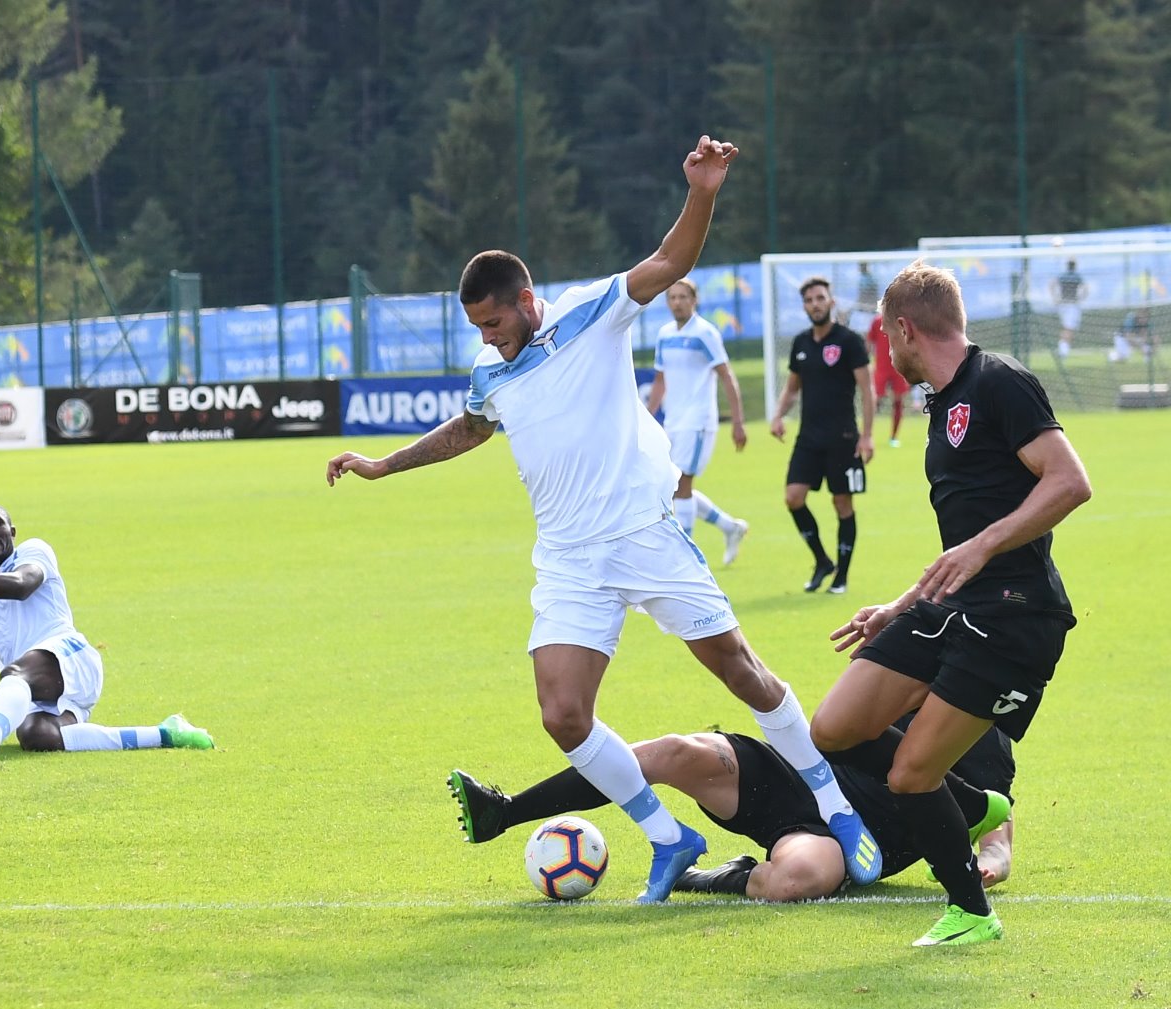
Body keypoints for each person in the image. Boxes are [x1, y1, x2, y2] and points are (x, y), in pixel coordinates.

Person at [325, 136, 881, 903]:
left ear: (525, 301)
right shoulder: (491, 368)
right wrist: (385, 465)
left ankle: (838, 807)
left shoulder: (594, 312)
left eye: (492, 322)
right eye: (477, 328)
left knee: (741, 671)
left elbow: (669, 260)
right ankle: (666, 835)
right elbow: (471, 427)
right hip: (567, 556)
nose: (485, 338)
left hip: (641, 533)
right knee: (563, 714)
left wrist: (703, 192)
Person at [808, 259, 1091, 947]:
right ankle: (975, 806)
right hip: (951, 604)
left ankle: (970, 910)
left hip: (1016, 615)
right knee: (833, 726)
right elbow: (958, 548)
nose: (886, 347)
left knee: (910, 773)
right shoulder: (941, 404)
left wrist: (984, 547)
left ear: (906, 328)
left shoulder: (1000, 382)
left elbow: (1070, 482)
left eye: (886, 333)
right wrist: (899, 604)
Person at [447, 707, 1015, 902]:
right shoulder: (899, 673)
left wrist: (994, 862)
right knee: (674, 752)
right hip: (799, 780)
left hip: (854, 842)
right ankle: (505, 810)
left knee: (795, 879)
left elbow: (997, 824)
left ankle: (714, 878)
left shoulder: (984, 735)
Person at [0, 502, 215, 760]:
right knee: (36, 735)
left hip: (71, 659)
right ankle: (166, 733)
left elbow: (21, 586)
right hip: (34, 687)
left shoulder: (33, 552)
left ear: (12, 531)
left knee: (16, 672)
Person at [769, 277, 875, 595]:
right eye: (809, 300)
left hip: (843, 437)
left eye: (820, 298)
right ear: (804, 306)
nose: (815, 304)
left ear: (831, 302)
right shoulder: (802, 343)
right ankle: (822, 561)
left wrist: (867, 436)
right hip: (809, 438)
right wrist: (777, 415)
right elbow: (791, 388)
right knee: (793, 498)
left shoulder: (849, 341)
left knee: (842, 502)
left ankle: (841, 576)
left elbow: (867, 391)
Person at [646, 278, 751, 565]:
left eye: (682, 296)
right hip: (674, 421)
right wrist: (648, 417)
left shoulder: (705, 333)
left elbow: (726, 376)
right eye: (672, 297)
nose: (677, 302)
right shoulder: (665, 334)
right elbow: (660, 379)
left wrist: (738, 422)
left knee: (681, 485)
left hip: (699, 421)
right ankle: (731, 527)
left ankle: (688, 557)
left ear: (694, 300)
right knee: (675, 488)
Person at [870, 309, 910, 448]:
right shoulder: (876, 321)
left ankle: (893, 438)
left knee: (898, 402)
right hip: (882, 366)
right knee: (874, 401)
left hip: (898, 366)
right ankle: (867, 434)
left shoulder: (903, 321)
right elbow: (870, 342)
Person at [1050, 260, 1088, 360]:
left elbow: (1052, 284)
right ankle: (1062, 351)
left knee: (1068, 328)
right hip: (1071, 304)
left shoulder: (1063, 275)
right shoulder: (1076, 276)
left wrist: (1055, 298)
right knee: (1068, 328)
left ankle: (1063, 349)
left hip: (1063, 304)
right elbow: (1086, 289)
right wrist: (1081, 298)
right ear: (1075, 266)